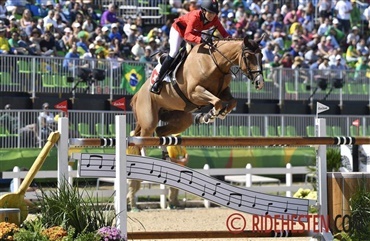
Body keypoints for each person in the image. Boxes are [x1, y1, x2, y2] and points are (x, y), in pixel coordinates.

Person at [150, 0, 230, 94]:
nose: (213, 15)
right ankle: (158, 81)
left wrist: (232, 41)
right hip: (178, 30)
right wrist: (201, 40)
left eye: (215, 13)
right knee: (174, 52)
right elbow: (187, 35)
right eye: (211, 13)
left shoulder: (215, 19)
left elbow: (224, 33)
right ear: (204, 11)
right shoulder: (195, 16)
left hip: (193, 33)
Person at [166, 134, 189, 209]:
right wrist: (180, 161)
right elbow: (169, 159)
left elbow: (186, 153)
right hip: (173, 170)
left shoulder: (181, 146)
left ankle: (175, 203)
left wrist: (185, 159)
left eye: (179, 137)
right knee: (172, 187)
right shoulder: (170, 147)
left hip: (180, 169)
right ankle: (170, 204)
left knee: (177, 187)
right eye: (178, 137)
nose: (179, 138)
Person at [126, 131, 141, 212]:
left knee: (137, 187)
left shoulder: (137, 146)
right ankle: (133, 206)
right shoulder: (128, 146)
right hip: (130, 169)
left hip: (137, 168)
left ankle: (124, 202)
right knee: (132, 188)